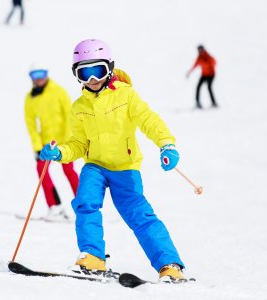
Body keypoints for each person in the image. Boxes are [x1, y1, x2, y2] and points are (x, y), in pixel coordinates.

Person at [39, 39, 187, 282]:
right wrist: (60, 153)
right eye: (84, 73)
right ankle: (93, 257)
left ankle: (170, 265)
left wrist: (166, 144)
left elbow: (149, 120)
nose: (92, 79)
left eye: (97, 70)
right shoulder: (78, 108)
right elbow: (78, 144)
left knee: (139, 214)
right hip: (95, 166)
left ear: (109, 68)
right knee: (85, 202)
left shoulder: (127, 96)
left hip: (125, 167)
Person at [24, 67, 79, 222]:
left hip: (64, 141)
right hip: (46, 143)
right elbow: (31, 124)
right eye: (35, 75)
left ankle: (84, 205)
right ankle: (55, 207)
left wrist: (70, 140)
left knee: (68, 170)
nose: (39, 78)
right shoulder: (30, 98)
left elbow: (70, 115)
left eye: (41, 74)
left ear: (47, 74)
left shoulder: (59, 91)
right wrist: (37, 146)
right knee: (41, 170)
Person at [186, 45, 217, 109]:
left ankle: (214, 103)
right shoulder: (199, 58)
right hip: (204, 75)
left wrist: (210, 67)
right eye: (199, 50)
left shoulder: (208, 56)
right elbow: (195, 65)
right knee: (198, 87)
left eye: (201, 49)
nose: (200, 51)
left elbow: (214, 63)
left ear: (204, 49)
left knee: (209, 88)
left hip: (211, 75)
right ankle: (198, 103)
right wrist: (189, 72)